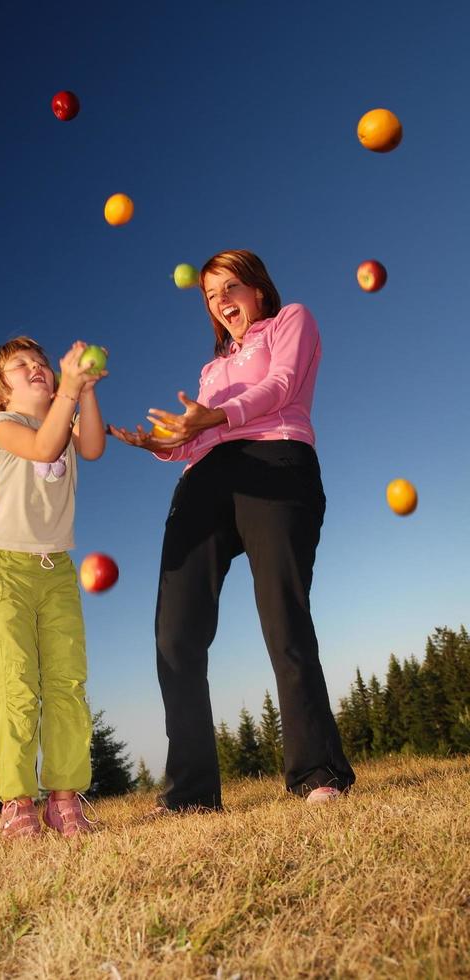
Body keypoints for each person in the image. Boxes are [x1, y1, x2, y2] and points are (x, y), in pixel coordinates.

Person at [110, 249, 355, 810]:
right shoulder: (211, 369)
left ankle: (317, 773)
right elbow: (195, 441)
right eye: (210, 296)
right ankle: (192, 795)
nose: (220, 302)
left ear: (257, 290)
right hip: (204, 481)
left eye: (229, 288)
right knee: (176, 635)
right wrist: (162, 443)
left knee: (282, 615)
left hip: (275, 463)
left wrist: (216, 417)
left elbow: (282, 386)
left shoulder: (292, 319)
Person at [0, 336, 107, 838]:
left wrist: (84, 389)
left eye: (41, 362)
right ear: (2, 392)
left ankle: (64, 800)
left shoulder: (64, 419)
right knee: (14, 683)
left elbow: (92, 446)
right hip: (3, 571)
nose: (37, 368)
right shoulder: (3, 425)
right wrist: (68, 387)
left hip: (57, 570)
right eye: (22, 366)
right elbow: (43, 447)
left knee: (67, 683)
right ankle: (18, 803)